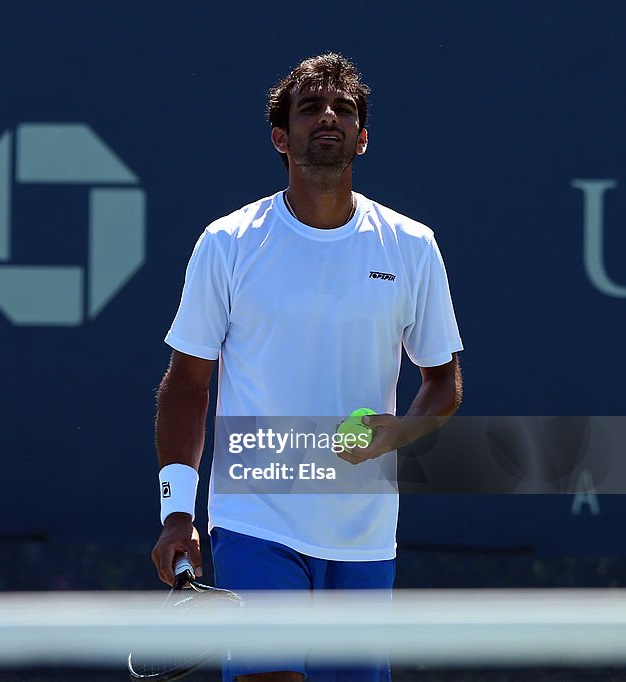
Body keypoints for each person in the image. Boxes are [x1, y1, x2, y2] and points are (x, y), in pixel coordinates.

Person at [150, 53, 463, 681]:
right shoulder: (228, 244)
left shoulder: (412, 246)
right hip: (254, 520)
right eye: (311, 108)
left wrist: (398, 432)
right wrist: (176, 513)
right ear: (280, 136)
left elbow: (442, 383)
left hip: (364, 535)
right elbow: (187, 386)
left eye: (344, 109)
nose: (329, 117)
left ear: (363, 138)